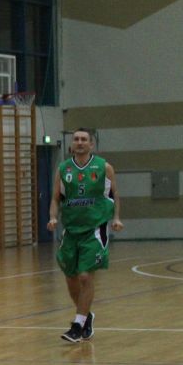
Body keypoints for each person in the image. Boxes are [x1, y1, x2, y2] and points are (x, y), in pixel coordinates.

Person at [47, 128, 123, 343]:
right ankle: (86, 315)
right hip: (71, 229)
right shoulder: (63, 169)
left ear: (91, 144)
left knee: (85, 276)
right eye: (76, 139)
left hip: (95, 229)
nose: (79, 142)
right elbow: (55, 198)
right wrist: (53, 217)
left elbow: (114, 194)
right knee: (71, 278)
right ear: (72, 144)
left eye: (84, 139)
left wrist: (116, 218)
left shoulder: (104, 167)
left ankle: (77, 325)